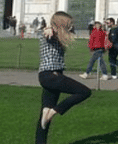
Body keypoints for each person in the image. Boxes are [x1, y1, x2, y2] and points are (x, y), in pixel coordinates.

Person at [36, 11, 91, 144]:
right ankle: (54, 111)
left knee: (44, 117)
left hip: (49, 76)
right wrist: (48, 28)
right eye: (69, 24)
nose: (71, 27)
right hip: (51, 76)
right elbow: (47, 33)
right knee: (84, 92)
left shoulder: (58, 36)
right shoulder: (49, 33)